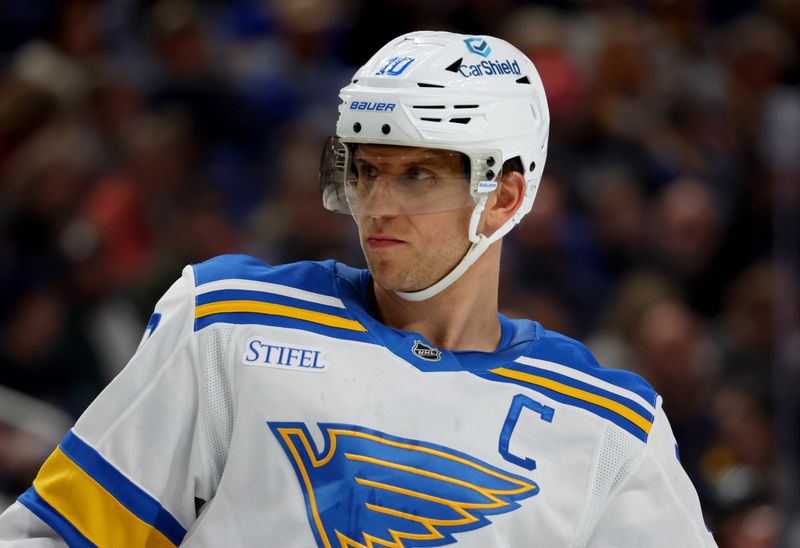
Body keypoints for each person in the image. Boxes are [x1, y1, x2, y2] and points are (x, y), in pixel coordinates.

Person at [0, 31, 716, 547]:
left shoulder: (611, 428)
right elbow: (53, 538)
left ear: (503, 198)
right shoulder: (228, 323)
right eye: (368, 170)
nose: (377, 205)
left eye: (417, 176)